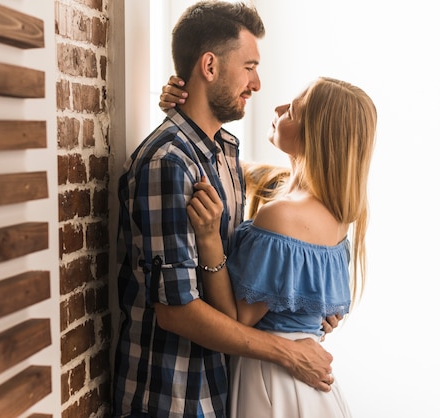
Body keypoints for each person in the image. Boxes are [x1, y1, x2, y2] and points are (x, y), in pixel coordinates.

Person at [113, 2, 336, 417]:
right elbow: (177, 312)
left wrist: (307, 300)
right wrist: (287, 352)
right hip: (172, 397)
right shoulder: (169, 163)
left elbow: (253, 264)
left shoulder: (225, 154)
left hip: (219, 389)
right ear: (209, 66)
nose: (256, 83)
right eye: (249, 66)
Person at [187, 76, 377, 417]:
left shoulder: (283, 216)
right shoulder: (339, 212)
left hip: (273, 380)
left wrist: (208, 238)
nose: (277, 109)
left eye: (292, 110)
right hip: (310, 388)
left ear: (315, 134)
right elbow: (239, 170)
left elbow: (235, 319)